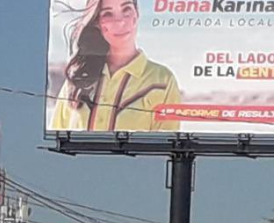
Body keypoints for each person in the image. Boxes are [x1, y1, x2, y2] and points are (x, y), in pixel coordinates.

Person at [51, 0, 182, 132]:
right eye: (107, 14)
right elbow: (55, 142)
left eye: (126, 10)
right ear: (96, 22)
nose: (120, 22)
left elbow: (165, 148)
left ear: (136, 14)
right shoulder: (77, 79)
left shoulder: (163, 82)